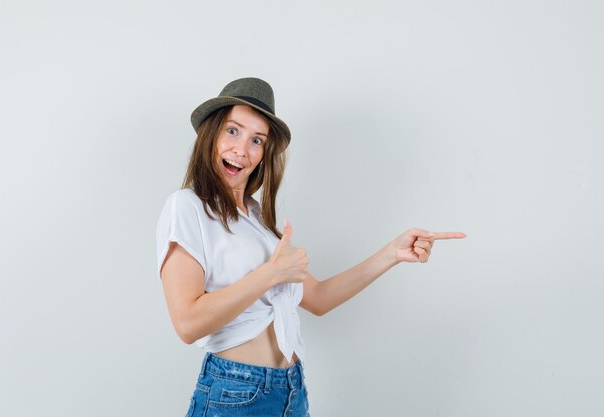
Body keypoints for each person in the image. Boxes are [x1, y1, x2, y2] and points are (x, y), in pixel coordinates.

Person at [156, 77, 466, 417]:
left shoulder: (256, 220)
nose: (242, 149)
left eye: (256, 140)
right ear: (211, 134)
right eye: (233, 131)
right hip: (235, 392)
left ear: (264, 154)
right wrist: (269, 274)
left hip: (290, 390)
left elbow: (317, 298)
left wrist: (392, 253)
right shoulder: (187, 206)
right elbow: (187, 323)